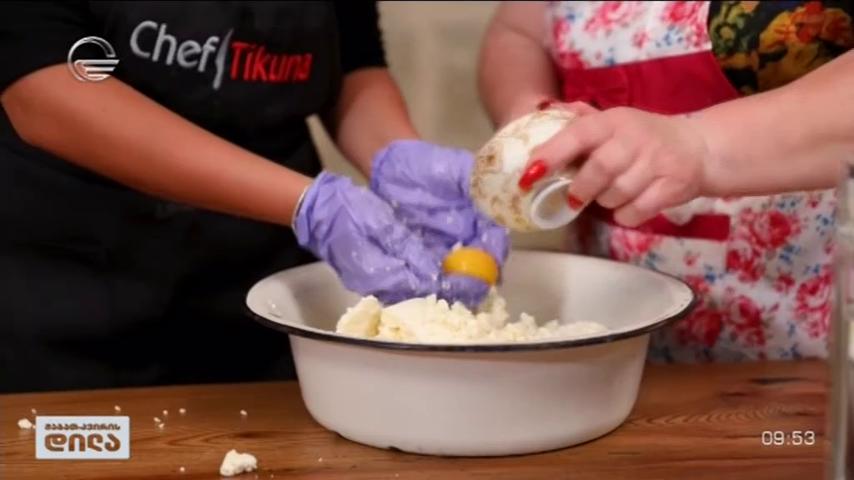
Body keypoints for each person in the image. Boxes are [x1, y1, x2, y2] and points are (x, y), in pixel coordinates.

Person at [0, 2, 507, 393]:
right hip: (77, 290)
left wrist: (398, 157)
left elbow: (351, 59)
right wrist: (311, 204)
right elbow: (43, 87)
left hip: (262, 290)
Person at [480, 1, 854, 362]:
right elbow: (518, 32)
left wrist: (702, 145)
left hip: (814, 358)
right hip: (618, 345)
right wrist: (529, 112)